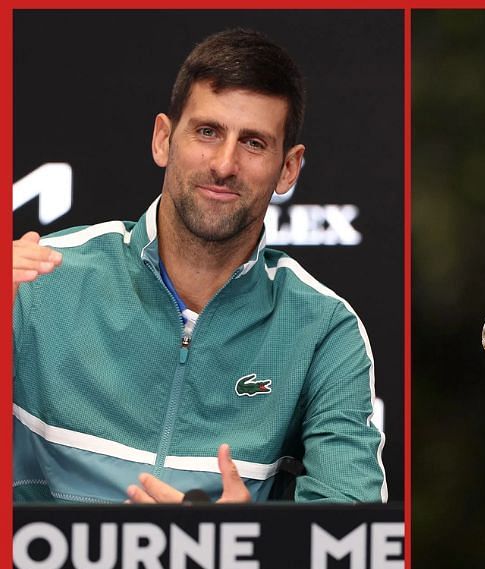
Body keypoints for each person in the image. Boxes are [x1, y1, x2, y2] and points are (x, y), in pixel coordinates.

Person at [11, 29, 387, 504]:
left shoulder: (322, 330)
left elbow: (348, 537)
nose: (225, 164)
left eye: (253, 143)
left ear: (288, 169)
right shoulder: (38, 281)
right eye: (208, 132)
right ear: (164, 139)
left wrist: (240, 547)